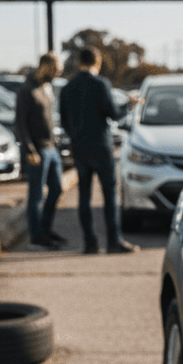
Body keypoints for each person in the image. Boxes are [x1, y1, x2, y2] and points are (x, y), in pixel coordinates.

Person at [59, 47, 138, 254]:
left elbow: (64, 120)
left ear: (78, 62)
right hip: (101, 148)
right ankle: (114, 241)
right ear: (98, 62)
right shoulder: (101, 84)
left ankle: (90, 243)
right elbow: (113, 114)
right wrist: (129, 105)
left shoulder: (68, 87)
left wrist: (75, 135)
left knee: (84, 196)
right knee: (109, 196)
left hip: (80, 148)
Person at [15, 52, 65, 249]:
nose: (57, 75)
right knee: (36, 195)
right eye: (55, 70)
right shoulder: (26, 90)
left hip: (52, 148)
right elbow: (20, 124)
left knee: (56, 189)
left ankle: (46, 229)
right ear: (45, 66)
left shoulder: (47, 86)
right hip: (37, 150)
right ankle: (36, 237)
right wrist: (29, 150)